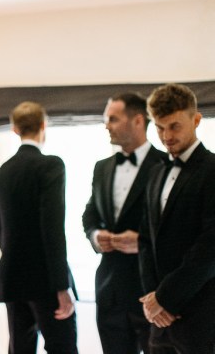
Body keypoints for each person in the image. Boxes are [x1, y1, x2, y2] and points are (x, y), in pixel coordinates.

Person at [82, 92, 166, 354]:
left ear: (138, 120)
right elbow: (90, 213)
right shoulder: (102, 167)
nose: (107, 125)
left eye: (113, 119)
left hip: (150, 288)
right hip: (109, 287)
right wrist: (96, 236)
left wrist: (141, 241)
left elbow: (175, 226)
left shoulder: (165, 164)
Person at [0, 101, 77, 354]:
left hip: (13, 276)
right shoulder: (51, 165)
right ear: (43, 125)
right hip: (46, 279)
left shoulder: (1, 173)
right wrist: (61, 285)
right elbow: (52, 227)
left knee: (20, 349)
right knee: (63, 347)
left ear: (15, 129)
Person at [139, 83, 215, 353]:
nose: (166, 136)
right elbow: (146, 240)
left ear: (196, 120)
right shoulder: (156, 174)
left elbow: (209, 247)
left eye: (174, 126)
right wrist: (153, 302)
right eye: (159, 127)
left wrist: (166, 298)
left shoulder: (212, 170)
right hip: (159, 320)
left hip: (202, 316)